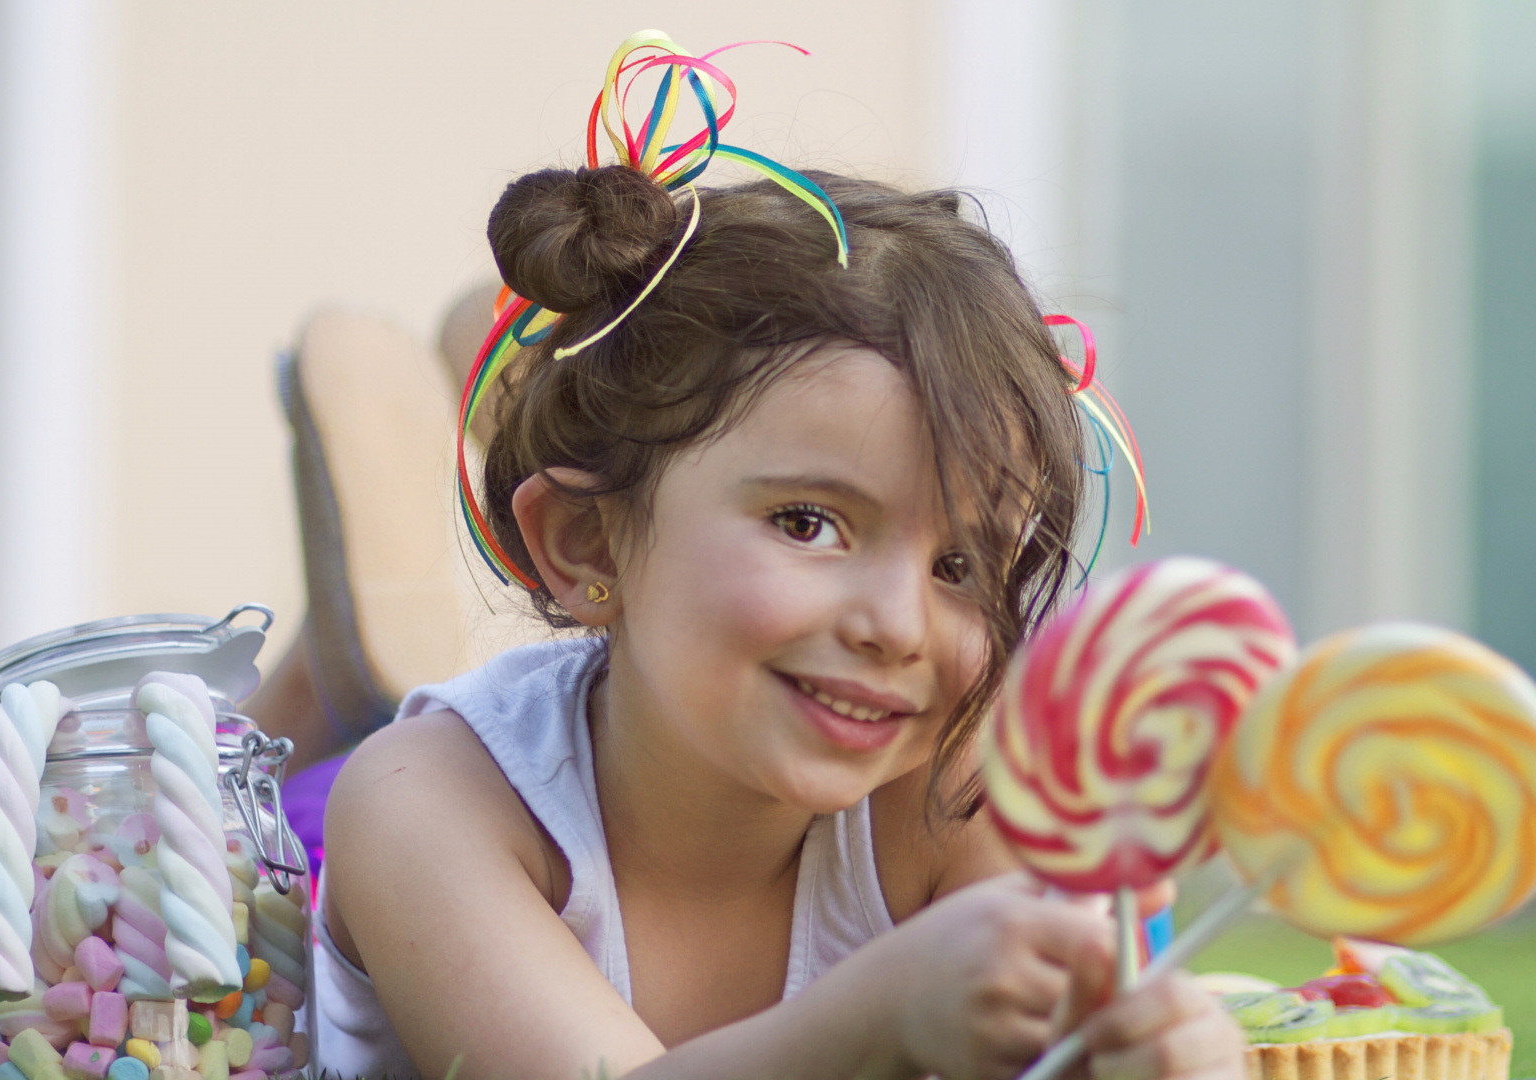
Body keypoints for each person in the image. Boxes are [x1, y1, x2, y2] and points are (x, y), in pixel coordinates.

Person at [313, 36, 1245, 1080]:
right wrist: (887, 1010)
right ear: (583, 544)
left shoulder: (945, 800)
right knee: (306, 766)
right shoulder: (426, 802)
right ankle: (325, 663)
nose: (894, 624)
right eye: (810, 522)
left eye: (962, 567)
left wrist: (1147, 1052)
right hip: (311, 829)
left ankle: (514, 398)